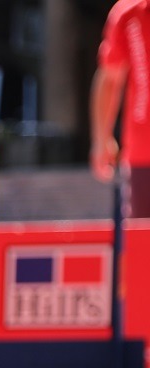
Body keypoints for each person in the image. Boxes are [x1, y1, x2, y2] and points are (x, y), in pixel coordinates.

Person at [91, 0, 150, 217]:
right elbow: (110, 79)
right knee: (143, 242)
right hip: (143, 154)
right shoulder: (128, 12)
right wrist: (101, 138)